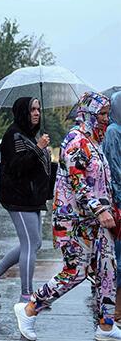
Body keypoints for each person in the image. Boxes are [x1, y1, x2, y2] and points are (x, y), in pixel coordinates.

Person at [14, 92, 120, 341]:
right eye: (101, 115)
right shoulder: (75, 142)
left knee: (108, 270)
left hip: (97, 221)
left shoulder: (94, 142)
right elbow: (78, 183)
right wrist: (101, 209)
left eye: (107, 114)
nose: (106, 119)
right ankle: (29, 309)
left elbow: (103, 182)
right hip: (74, 223)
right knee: (75, 272)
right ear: (88, 115)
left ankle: (106, 326)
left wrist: (110, 208)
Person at [0, 97, 53, 303]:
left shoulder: (29, 136)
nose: (36, 113)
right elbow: (17, 167)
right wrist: (39, 148)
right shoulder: (14, 135)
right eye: (32, 109)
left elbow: (37, 168)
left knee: (34, 243)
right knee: (31, 243)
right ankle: (26, 296)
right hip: (18, 197)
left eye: (39, 109)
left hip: (31, 198)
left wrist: (44, 152)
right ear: (23, 111)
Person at [102, 91, 121, 322]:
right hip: (117, 203)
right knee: (117, 258)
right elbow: (115, 171)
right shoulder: (113, 132)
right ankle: (114, 313)